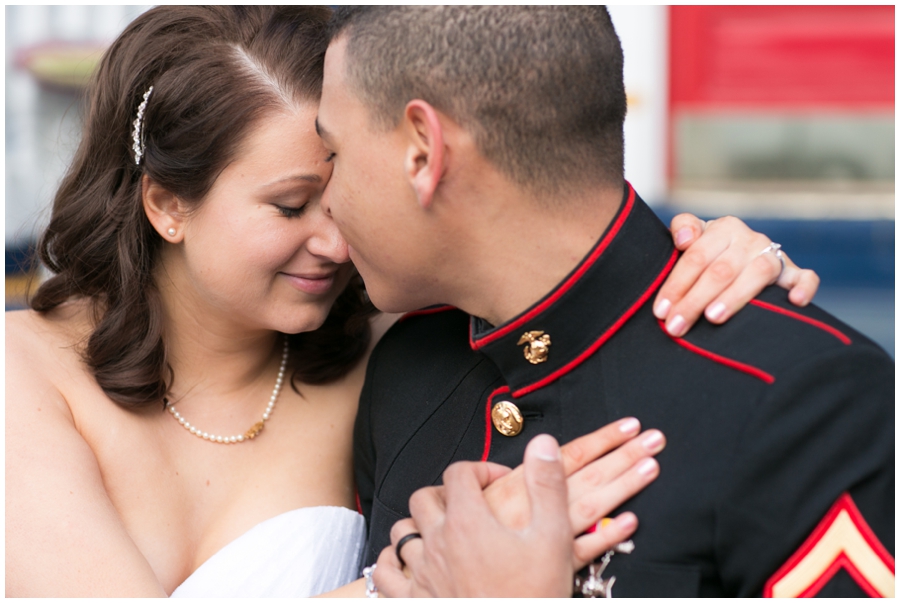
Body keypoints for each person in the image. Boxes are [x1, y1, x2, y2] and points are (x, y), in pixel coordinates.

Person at [6, 5, 825, 598]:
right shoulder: (22, 372)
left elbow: (553, 267)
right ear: (167, 205)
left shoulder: (403, 354)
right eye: (292, 206)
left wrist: (709, 254)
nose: (335, 239)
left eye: (343, 190)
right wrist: (425, 584)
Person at [315, 6, 895, 598]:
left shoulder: (807, 398)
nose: (327, 202)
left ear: (422, 151)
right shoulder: (406, 371)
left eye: (333, 155)